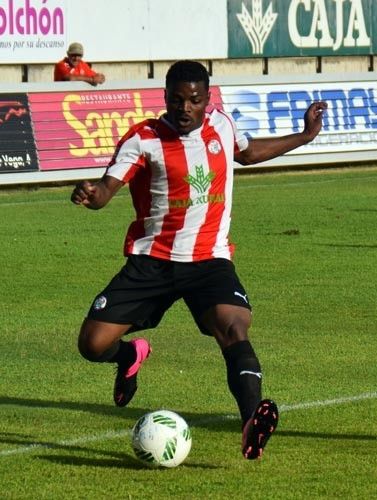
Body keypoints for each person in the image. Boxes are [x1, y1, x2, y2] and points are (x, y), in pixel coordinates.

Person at [71, 60, 327, 459]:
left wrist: (305, 136)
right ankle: (131, 354)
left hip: (209, 260)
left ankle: (250, 420)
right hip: (152, 262)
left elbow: (249, 152)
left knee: (234, 328)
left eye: (194, 100)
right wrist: (91, 195)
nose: (184, 108)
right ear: (165, 98)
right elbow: (106, 189)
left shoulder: (222, 125)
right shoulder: (144, 139)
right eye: (177, 100)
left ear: (207, 99)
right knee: (92, 344)